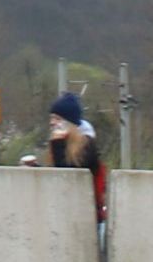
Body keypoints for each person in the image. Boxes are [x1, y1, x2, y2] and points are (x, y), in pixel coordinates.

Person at [38, 91, 108, 222]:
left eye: (58, 119)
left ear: (70, 123)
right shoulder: (58, 145)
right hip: (63, 213)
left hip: (87, 215)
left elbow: (67, 175)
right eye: (51, 118)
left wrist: (57, 144)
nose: (52, 123)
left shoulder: (86, 144)